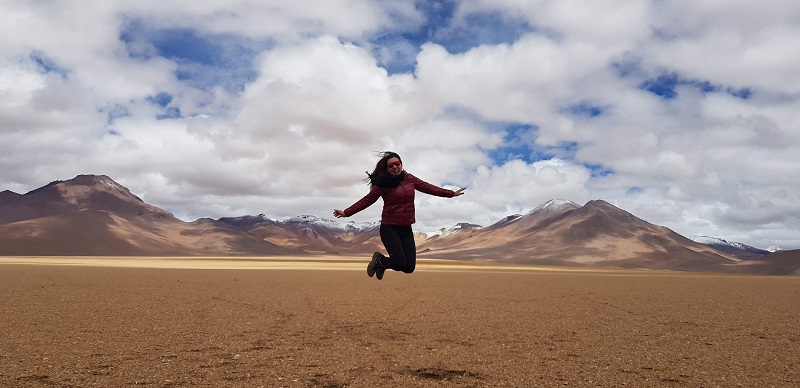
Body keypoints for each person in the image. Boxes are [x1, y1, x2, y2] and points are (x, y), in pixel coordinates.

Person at [333, 151, 465, 280]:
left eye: (397, 164)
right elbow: (367, 200)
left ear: (401, 164)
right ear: (387, 168)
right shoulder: (382, 184)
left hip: (406, 229)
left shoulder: (410, 179)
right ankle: (379, 260)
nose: (395, 167)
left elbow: (428, 187)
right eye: (391, 165)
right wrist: (347, 212)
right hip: (390, 228)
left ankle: (381, 264)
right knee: (399, 263)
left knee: (409, 268)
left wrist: (451, 193)